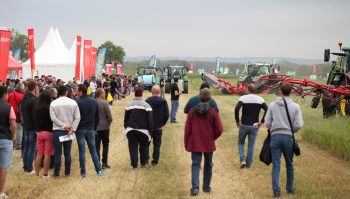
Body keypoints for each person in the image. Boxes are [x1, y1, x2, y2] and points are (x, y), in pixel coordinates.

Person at [264, 84, 303, 198]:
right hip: (288, 137)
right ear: (291, 92)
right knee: (289, 164)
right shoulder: (295, 106)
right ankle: (290, 188)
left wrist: (273, 128)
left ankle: (276, 192)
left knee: (276, 165)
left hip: (275, 136)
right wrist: (292, 130)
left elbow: (267, 122)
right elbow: (299, 124)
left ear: (280, 91)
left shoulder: (272, 105)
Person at [184, 88, 223, 196]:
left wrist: (187, 142)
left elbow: (187, 129)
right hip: (208, 143)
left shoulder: (192, 112)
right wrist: (212, 137)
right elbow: (219, 129)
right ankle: (206, 187)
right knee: (208, 165)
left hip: (195, 142)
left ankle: (195, 188)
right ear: (210, 98)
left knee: (195, 164)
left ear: (200, 98)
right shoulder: (213, 112)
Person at [50, 85, 81, 177]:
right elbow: (78, 117)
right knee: (68, 153)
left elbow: (53, 118)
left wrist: (63, 126)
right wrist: (73, 129)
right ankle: (67, 172)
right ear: (67, 92)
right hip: (69, 131)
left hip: (57, 130)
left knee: (57, 153)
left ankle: (56, 172)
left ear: (58, 93)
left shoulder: (53, 103)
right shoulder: (73, 102)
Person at [234, 84, 268, 168]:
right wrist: (262, 121)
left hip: (244, 124)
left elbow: (236, 109)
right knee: (251, 145)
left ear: (247, 89)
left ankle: (242, 160)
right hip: (255, 126)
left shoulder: (243, 98)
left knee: (240, 143)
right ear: (255, 90)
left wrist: (237, 121)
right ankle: (249, 165)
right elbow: (267, 110)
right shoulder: (260, 99)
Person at [76, 84, 105, 177]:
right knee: (93, 150)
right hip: (91, 128)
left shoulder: (77, 102)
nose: (76, 92)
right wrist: (94, 127)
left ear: (81, 91)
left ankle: (83, 172)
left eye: (77, 90)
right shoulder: (93, 102)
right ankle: (99, 171)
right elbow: (97, 117)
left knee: (82, 151)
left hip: (80, 129)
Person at [124, 87, 153, 169]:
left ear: (134, 94)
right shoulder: (147, 105)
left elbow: (126, 118)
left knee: (132, 147)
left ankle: (134, 165)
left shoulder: (129, 104)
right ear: (142, 94)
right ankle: (143, 163)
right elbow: (150, 120)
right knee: (144, 147)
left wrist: (126, 127)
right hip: (143, 130)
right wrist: (150, 132)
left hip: (131, 130)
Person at [145, 85, 169, 166]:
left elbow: (144, 113)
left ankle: (145, 158)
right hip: (158, 127)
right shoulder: (163, 101)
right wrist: (163, 123)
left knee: (146, 144)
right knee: (157, 145)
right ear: (159, 92)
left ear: (152, 92)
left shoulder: (147, 101)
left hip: (148, 126)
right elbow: (166, 115)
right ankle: (155, 160)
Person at [0, 86, 16, 199]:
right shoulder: (8, 107)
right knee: (3, 166)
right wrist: (12, 136)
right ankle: (0, 192)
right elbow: (13, 125)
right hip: (5, 139)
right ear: (5, 95)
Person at [33, 91, 54, 178]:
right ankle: (45, 173)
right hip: (49, 132)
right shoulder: (50, 108)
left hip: (39, 133)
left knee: (39, 153)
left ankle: (37, 173)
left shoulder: (37, 108)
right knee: (47, 154)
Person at [21, 80, 39, 174]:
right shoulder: (33, 100)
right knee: (31, 148)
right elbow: (35, 116)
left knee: (27, 147)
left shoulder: (24, 98)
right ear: (35, 88)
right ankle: (29, 168)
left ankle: (25, 167)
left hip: (26, 125)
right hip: (32, 127)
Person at [95, 88, 113, 169]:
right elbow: (110, 117)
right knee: (105, 145)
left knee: (96, 147)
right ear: (100, 94)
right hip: (105, 127)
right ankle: (104, 162)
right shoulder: (105, 103)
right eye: (104, 93)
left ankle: (98, 163)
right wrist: (108, 124)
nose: (105, 94)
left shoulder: (93, 102)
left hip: (95, 128)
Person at [7, 82, 24, 150]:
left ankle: (12, 143)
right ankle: (18, 145)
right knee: (19, 130)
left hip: (9, 114)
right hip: (17, 115)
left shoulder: (10, 94)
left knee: (11, 128)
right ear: (21, 89)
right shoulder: (22, 96)